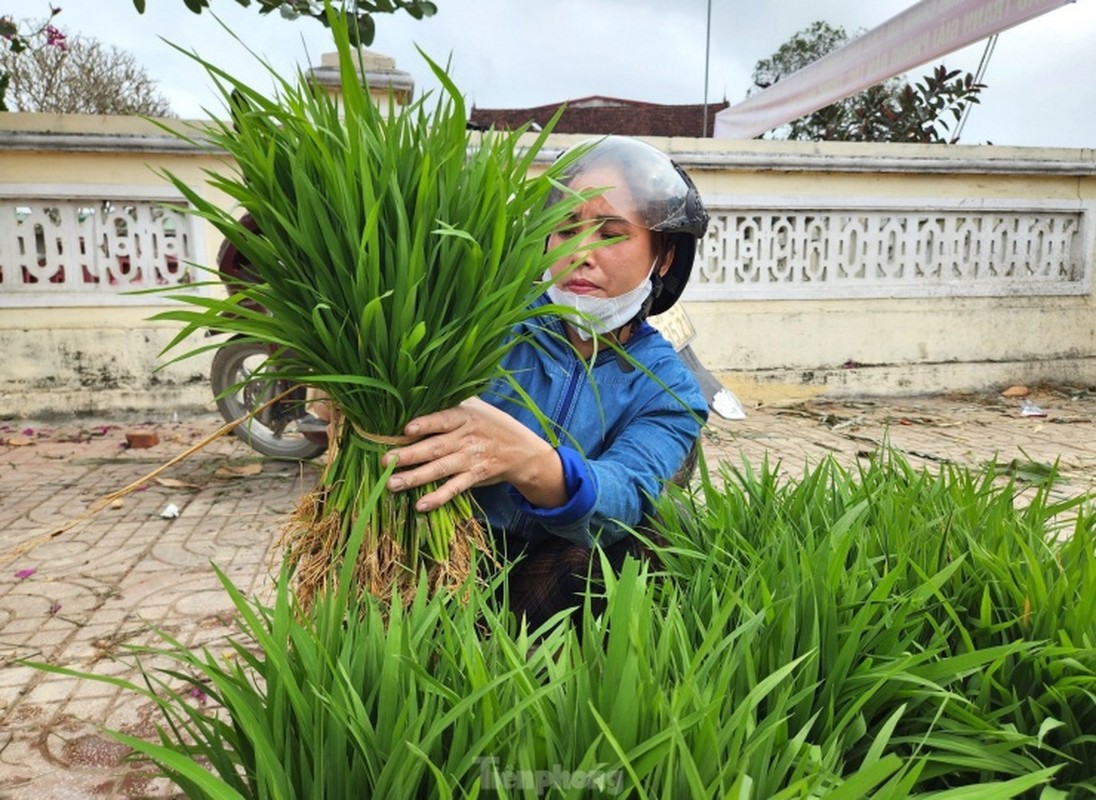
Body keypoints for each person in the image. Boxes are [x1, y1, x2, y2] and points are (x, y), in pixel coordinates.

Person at [382, 135, 710, 627]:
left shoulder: (668, 387)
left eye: (611, 232)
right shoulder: (488, 321)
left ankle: (560, 676)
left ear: (663, 257)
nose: (581, 252)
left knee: (654, 531)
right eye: (564, 229)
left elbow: (626, 490)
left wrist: (530, 463)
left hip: (548, 572)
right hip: (441, 548)